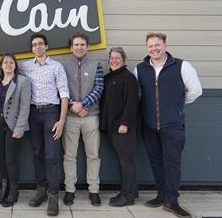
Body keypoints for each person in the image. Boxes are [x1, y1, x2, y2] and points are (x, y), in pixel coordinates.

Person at [134, 32, 202, 218]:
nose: (154, 49)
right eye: (150, 46)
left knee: (172, 163)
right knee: (156, 161)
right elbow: (137, 96)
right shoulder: (140, 69)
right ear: (147, 48)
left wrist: (176, 107)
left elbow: (196, 91)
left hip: (172, 125)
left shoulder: (182, 66)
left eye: (157, 45)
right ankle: (162, 195)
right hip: (148, 125)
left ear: (165, 45)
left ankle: (172, 201)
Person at [21, 33, 69, 216]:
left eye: (41, 44)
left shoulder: (57, 67)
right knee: (37, 153)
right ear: (32, 48)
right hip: (33, 114)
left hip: (51, 113)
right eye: (34, 45)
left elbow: (64, 94)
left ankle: (53, 195)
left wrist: (61, 121)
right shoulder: (25, 67)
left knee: (51, 156)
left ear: (47, 46)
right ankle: (40, 190)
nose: (38, 47)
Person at [61, 32, 104, 207]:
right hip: (70, 117)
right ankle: (70, 190)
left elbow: (99, 87)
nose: (79, 47)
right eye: (76, 44)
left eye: (82, 44)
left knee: (93, 155)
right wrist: (73, 105)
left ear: (87, 47)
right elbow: (61, 89)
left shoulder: (96, 65)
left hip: (91, 116)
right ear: (71, 47)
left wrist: (84, 104)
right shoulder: (63, 66)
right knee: (69, 155)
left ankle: (94, 190)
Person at [0, 54, 31, 207]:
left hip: (13, 126)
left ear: (15, 65)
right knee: (1, 159)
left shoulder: (22, 82)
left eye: (11, 62)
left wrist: (19, 128)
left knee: (10, 160)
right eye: (5, 62)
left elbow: (25, 107)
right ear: (1, 66)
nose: (8, 64)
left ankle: (14, 191)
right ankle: (3, 189)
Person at [100, 47, 139, 207]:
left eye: (117, 58)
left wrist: (125, 123)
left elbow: (132, 103)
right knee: (122, 161)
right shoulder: (108, 78)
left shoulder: (128, 78)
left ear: (124, 60)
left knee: (126, 161)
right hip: (111, 127)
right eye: (112, 57)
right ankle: (129, 191)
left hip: (122, 128)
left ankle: (128, 196)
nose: (114, 60)